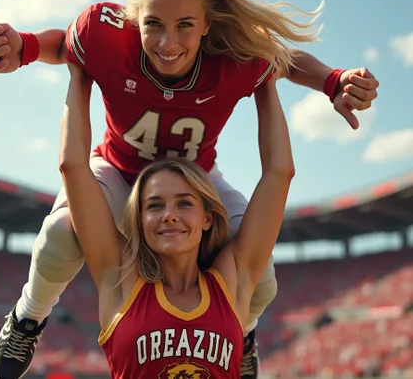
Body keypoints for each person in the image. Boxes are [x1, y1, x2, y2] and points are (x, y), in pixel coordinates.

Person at [0, 0, 379, 379]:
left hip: (195, 178)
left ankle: (241, 332)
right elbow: (68, 45)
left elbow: (283, 58)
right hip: (118, 167)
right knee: (59, 234)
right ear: (134, 18)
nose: (168, 42)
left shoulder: (235, 54)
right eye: (153, 24)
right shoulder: (104, 33)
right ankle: (29, 316)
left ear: (209, 24)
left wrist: (331, 81)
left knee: (260, 274)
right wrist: (26, 47)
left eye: (185, 24)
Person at [61, 60, 294, 378]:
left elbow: (279, 174)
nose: (169, 215)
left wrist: (267, 85)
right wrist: (80, 74)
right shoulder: (120, 279)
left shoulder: (229, 284)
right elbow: (73, 166)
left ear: (208, 218)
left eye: (184, 204)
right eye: (154, 206)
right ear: (140, 221)